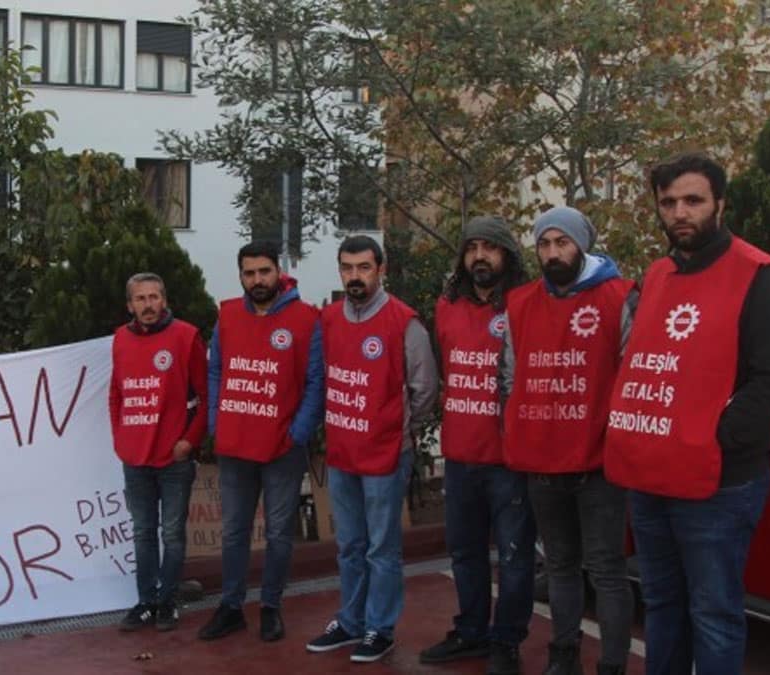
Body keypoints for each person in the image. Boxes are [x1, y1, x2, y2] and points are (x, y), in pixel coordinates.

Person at [604, 152, 770, 675]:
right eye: (668, 202)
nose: (680, 212)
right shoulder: (657, 275)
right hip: (652, 476)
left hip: (719, 484)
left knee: (714, 614)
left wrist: (713, 437)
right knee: (662, 606)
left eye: (693, 200)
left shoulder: (762, 277)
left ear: (720, 204)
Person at [498, 206, 637, 675]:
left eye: (562, 242)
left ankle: (612, 664)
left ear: (582, 244)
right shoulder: (520, 303)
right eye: (544, 244)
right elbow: (511, 377)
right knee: (560, 567)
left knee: (607, 571)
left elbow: (632, 377)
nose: (553, 253)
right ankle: (564, 656)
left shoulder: (619, 297)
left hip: (599, 465)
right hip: (541, 461)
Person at [304, 235, 437, 663]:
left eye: (364, 267)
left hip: (386, 455)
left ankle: (380, 628)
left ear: (382, 269)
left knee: (382, 548)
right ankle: (351, 621)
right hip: (343, 452)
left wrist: (400, 431)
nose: (355, 276)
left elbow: (425, 389)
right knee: (349, 545)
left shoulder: (404, 322)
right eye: (347, 268)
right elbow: (324, 376)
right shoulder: (328, 318)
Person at [419, 217, 535, 675]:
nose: (479, 256)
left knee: (514, 557)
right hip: (460, 454)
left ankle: (506, 640)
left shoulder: (527, 304)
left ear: (507, 253)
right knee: (465, 552)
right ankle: (470, 631)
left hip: (509, 460)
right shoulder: (446, 306)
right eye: (472, 248)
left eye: (490, 247)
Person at [198, 241, 324, 643]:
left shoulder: (306, 318)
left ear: (278, 271)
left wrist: (298, 433)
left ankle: (271, 605)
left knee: (279, 534)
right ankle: (231, 606)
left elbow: (316, 382)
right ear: (240, 276)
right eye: (249, 273)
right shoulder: (228, 314)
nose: (257, 280)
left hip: (282, 448)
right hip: (235, 444)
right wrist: (216, 420)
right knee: (234, 531)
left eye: (264, 271)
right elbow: (215, 369)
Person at [109, 273, 207, 632]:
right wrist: (121, 439)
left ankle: (167, 602)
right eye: (140, 299)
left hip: (174, 459)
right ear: (130, 305)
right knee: (142, 533)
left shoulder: (186, 336)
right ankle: (146, 602)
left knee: (172, 535)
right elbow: (116, 394)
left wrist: (189, 441)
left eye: (154, 297)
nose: (148, 305)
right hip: (135, 459)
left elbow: (207, 396)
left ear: (164, 300)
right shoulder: (120, 339)